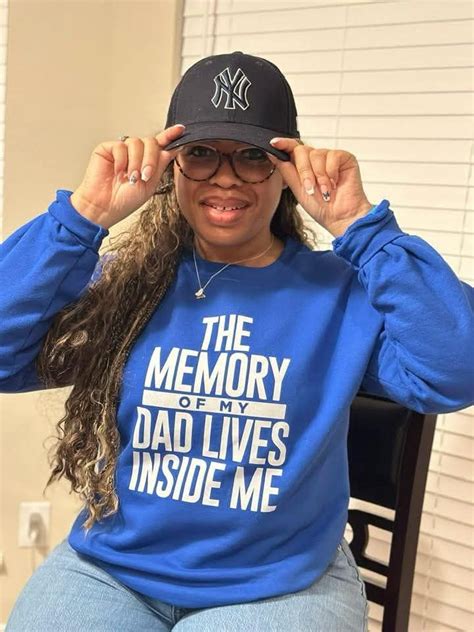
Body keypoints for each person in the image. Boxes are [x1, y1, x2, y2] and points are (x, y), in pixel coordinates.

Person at [2, 51, 473, 632]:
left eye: (253, 157)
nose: (225, 177)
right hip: (114, 569)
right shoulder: (126, 283)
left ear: (287, 171)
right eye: (201, 153)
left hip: (278, 582)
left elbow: (457, 371)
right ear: (171, 166)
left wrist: (362, 227)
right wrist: (84, 216)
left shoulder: (342, 292)